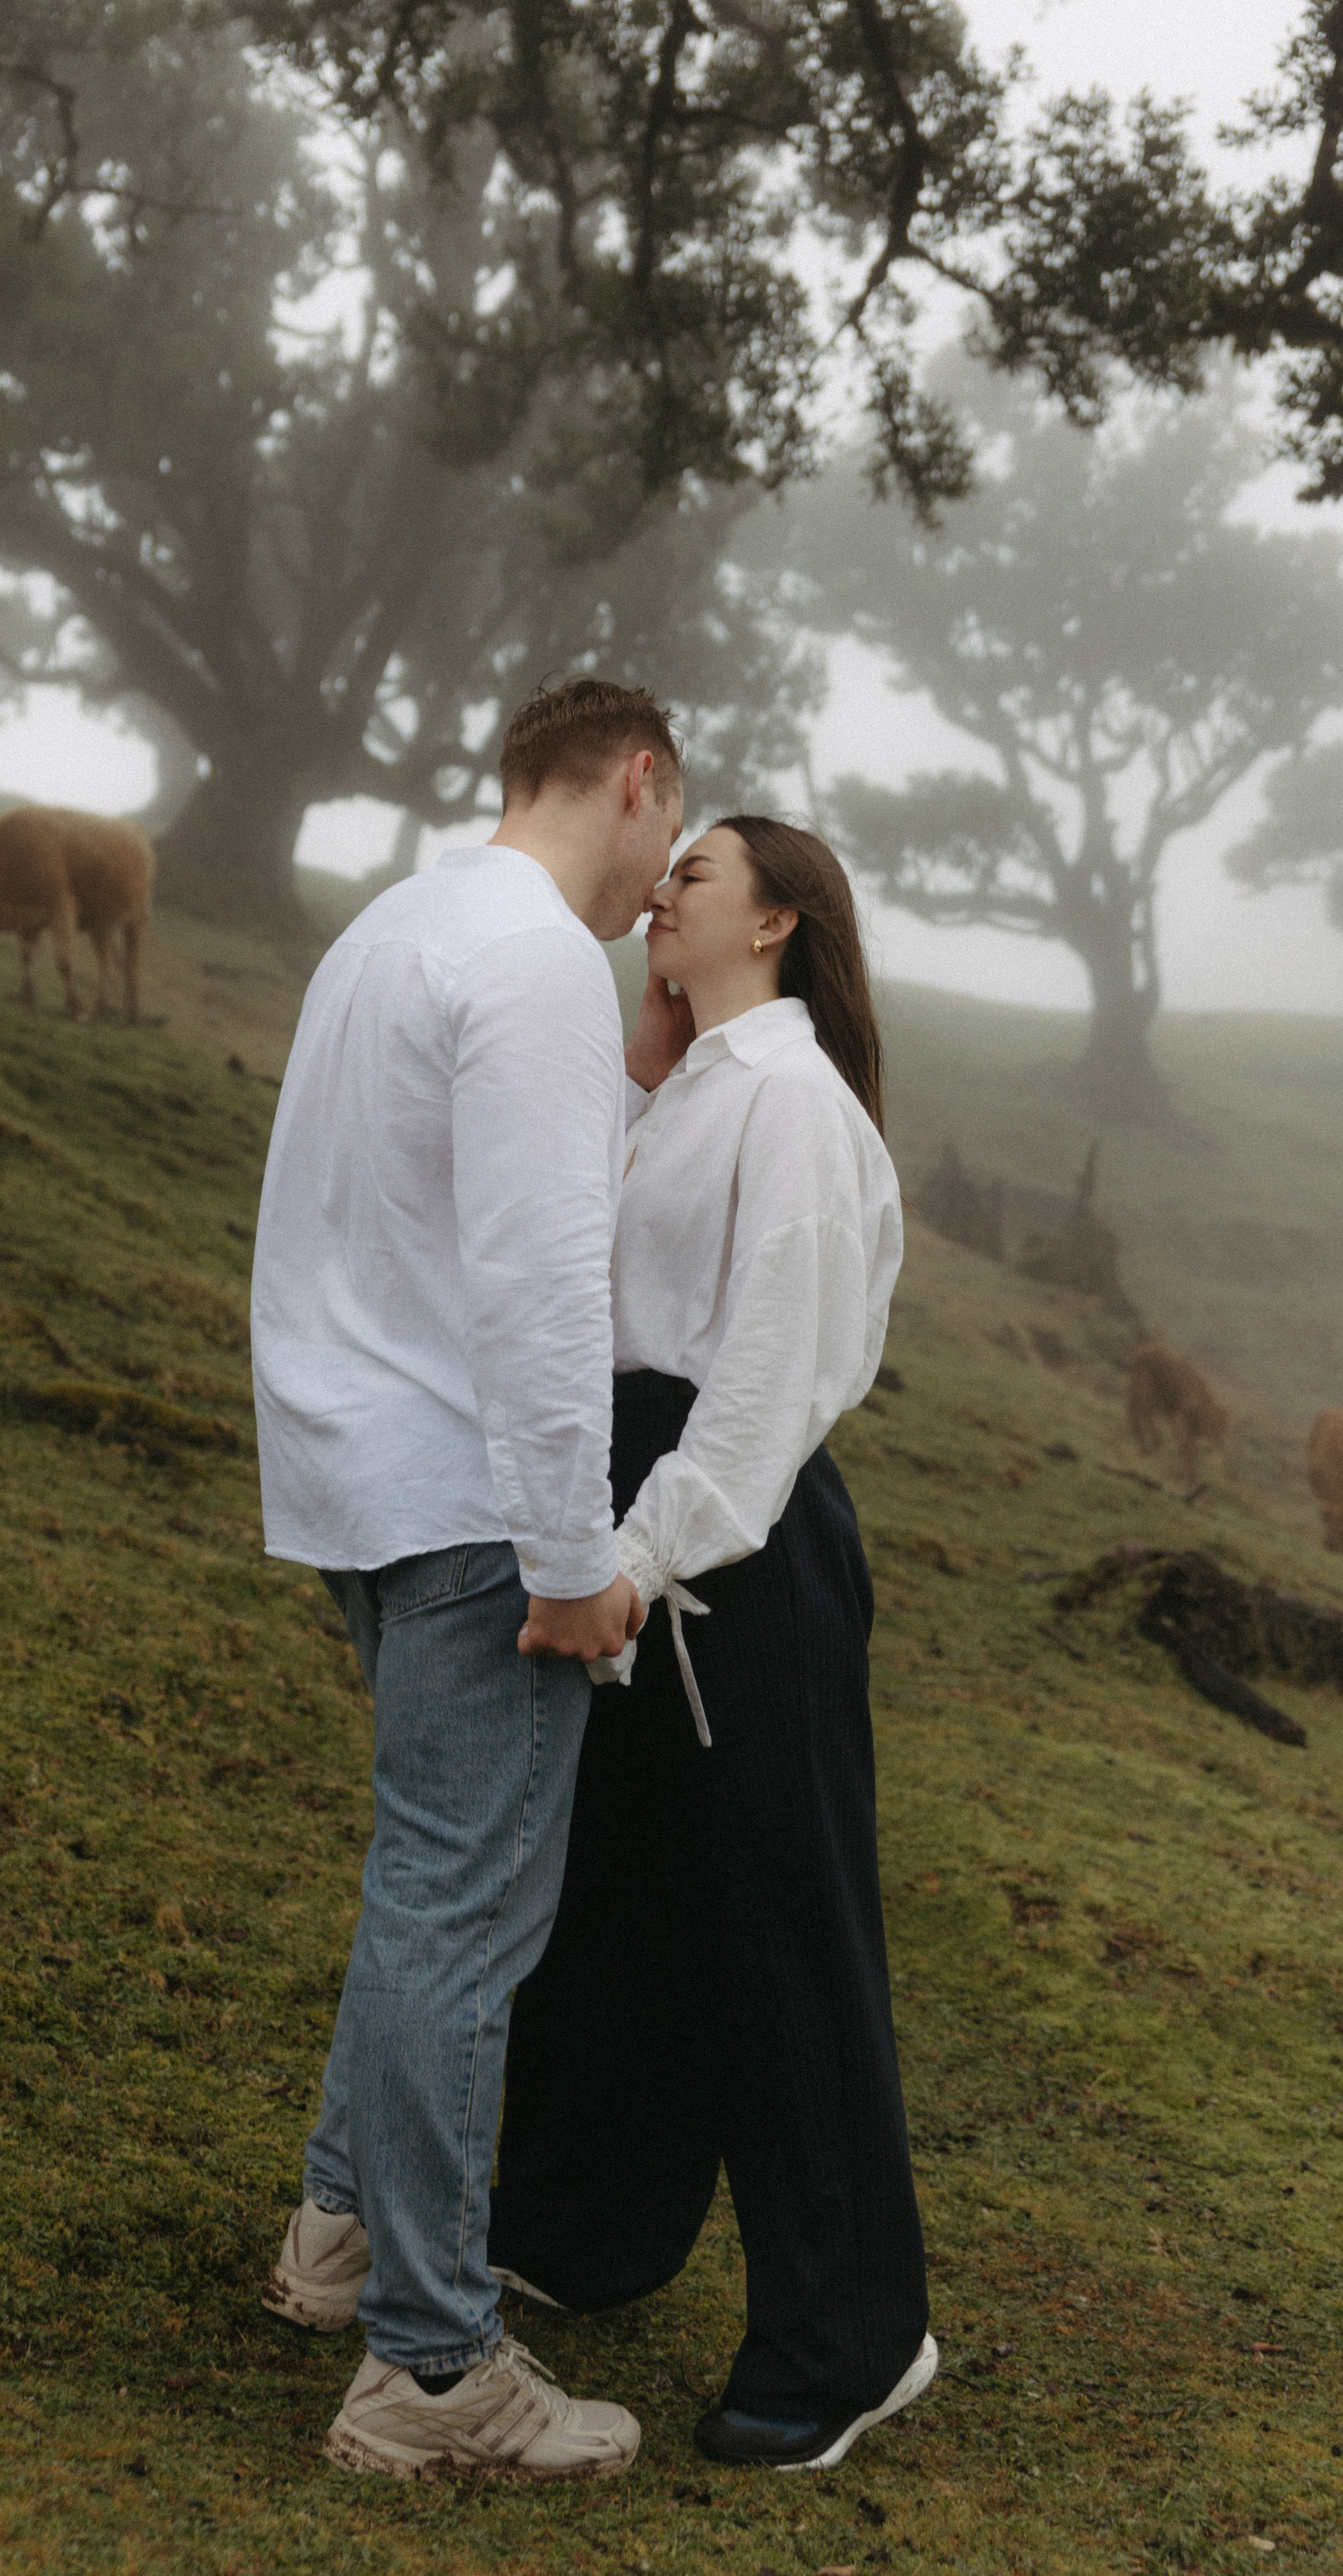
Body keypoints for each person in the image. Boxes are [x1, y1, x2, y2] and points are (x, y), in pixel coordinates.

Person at [250, 679, 681, 2481]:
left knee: (421, 1887)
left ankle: (344, 2234)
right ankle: (433, 2377)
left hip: (359, 1479)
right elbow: (534, 1277)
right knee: (466, 1916)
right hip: (473, 1507)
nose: (666, 885)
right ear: (639, 782)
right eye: (673, 833)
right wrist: (574, 1552)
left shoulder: (397, 925)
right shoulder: (534, 966)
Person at [488, 815, 937, 2470]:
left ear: (778, 921)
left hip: (727, 1557)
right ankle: (583, 2226)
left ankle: (852, 2337)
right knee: (619, 1897)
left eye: (696, 874)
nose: (660, 889)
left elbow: (759, 1380)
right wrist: (642, 1062)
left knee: (779, 1939)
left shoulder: (795, 1107)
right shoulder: (696, 1086)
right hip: (633, 1527)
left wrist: (639, 1554)